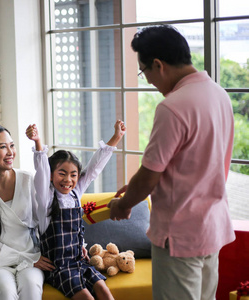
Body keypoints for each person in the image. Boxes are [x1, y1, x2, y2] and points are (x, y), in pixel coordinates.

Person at [107, 25, 235, 300]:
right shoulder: (219, 95)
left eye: (145, 72)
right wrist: (140, 184)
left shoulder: (172, 107)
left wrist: (124, 204)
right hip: (211, 229)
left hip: (179, 235)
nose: (149, 81)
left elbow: (151, 174)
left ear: (158, 65)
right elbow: (198, 163)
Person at [26, 120, 125, 300]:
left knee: (105, 293)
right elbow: (41, 172)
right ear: (51, 175)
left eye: (73, 175)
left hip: (80, 262)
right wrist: (38, 142)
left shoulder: (75, 194)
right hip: (59, 269)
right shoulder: (46, 199)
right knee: (87, 297)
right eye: (61, 173)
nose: (68, 180)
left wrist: (116, 137)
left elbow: (95, 167)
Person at [0, 124, 54, 300]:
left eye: (12, 145)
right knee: (6, 294)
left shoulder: (27, 180)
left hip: (31, 256)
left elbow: (46, 218)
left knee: (31, 288)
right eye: (2, 147)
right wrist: (26, 258)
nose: (10, 152)